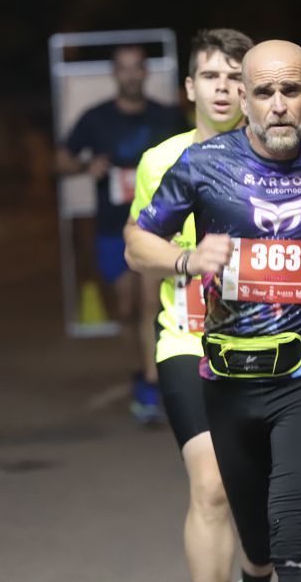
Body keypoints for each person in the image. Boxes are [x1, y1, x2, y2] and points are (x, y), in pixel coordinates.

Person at [126, 40, 301, 582]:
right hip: (228, 377)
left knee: (290, 552)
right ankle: (295, 549)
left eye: (290, 91)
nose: (278, 105)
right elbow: (137, 243)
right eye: (264, 92)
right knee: (258, 554)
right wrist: (186, 257)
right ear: (244, 98)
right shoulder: (202, 165)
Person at [127, 28, 253, 582]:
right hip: (186, 338)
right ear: (189, 87)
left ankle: (274, 558)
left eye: (233, 77)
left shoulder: (281, 157)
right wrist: (188, 260)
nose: (222, 89)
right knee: (211, 485)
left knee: (257, 496)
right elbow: (137, 246)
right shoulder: (160, 160)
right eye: (210, 77)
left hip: (265, 345)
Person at [56, 45, 183, 423]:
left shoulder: (167, 116)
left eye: (137, 68)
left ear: (145, 73)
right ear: (115, 75)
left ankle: (152, 382)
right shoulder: (96, 119)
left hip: (158, 225)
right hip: (113, 227)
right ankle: (141, 369)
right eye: (123, 69)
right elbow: (61, 160)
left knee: (150, 303)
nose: (131, 75)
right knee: (125, 307)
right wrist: (85, 166)